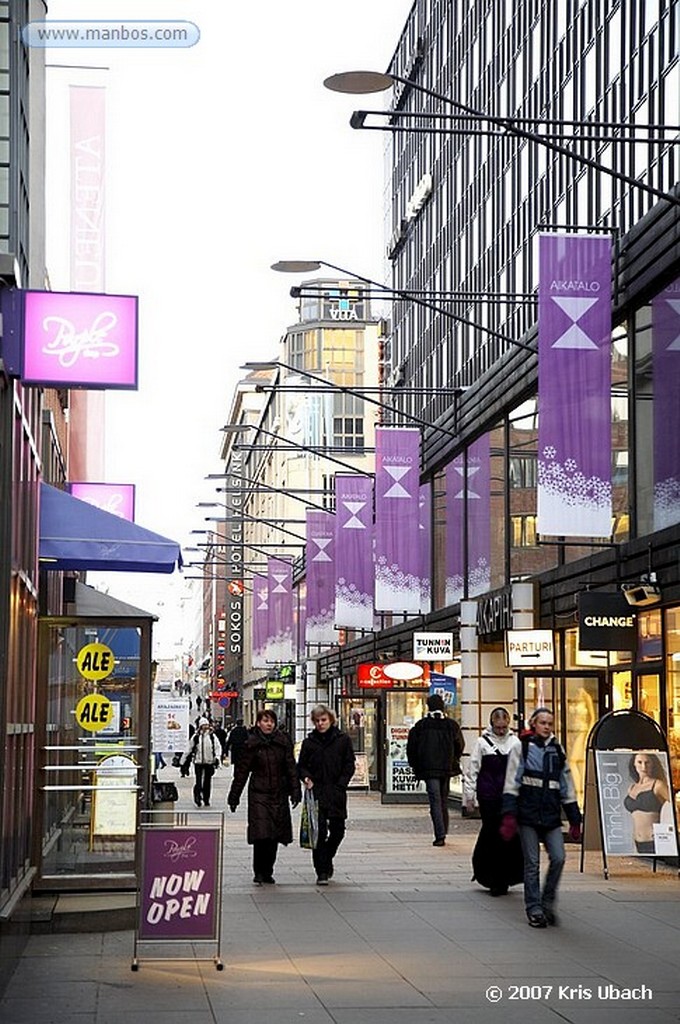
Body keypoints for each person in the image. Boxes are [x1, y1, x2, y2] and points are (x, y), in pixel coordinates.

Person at [501, 706, 582, 928]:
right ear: (533, 724)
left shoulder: (557, 750)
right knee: (532, 863)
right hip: (527, 816)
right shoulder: (522, 747)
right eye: (543, 722)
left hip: (550, 815)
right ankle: (534, 908)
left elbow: (567, 786)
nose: (546, 727)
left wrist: (575, 819)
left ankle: (547, 902)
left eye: (549, 723)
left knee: (559, 857)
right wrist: (509, 815)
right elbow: (512, 781)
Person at [227, 709, 301, 884]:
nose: (269, 724)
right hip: (259, 794)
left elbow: (291, 768)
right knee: (261, 834)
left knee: (274, 835)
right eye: (265, 721)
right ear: (258, 723)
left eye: (271, 721)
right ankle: (259, 871)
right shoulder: (252, 744)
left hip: (278, 793)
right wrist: (234, 795)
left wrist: (295, 790)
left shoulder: (282, 743)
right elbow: (242, 771)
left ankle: (268, 871)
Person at [464, 707, 523, 896]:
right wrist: (469, 796)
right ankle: (494, 878)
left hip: (508, 795)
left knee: (507, 836)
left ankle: (504, 877)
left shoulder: (515, 743)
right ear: (492, 724)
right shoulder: (482, 743)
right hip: (488, 795)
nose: (500, 731)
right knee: (492, 834)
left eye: (503, 727)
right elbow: (472, 769)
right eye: (498, 727)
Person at [298, 704, 355, 886]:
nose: (320, 724)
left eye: (323, 720)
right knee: (319, 832)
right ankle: (321, 871)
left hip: (336, 792)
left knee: (338, 831)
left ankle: (327, 857)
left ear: (331, 720)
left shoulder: (343, 740)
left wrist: (342, 784)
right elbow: (301, 765)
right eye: (317, 721)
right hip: (317, 792)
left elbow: (349, 764)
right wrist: (306, 777)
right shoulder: (309, 742)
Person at [406, 693, 464, 846]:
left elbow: (411, 748)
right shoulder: (452, 725)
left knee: (435, 800)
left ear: (428, 707)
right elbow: (460, 745)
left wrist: (416, 765)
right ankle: (443, 830)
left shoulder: (421, 726)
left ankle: (440, 834)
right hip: (446, 768)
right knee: (443, 799)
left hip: (429, 768)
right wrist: (453, 759)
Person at [624, 751, 671, 854]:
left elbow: (676, 806)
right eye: (640, 762)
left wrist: (668, 831)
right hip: (637, 841)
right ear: (634, 764)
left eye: (647, 762)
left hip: (654, 840)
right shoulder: (631, 788)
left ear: (653, 764)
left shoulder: (658, 785)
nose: (643, 767)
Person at [179, 716, 220, 808]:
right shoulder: (196, 737)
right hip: (198, 762)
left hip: (209, 762)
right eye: (204, 725)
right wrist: (182, 760)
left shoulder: (212, 736)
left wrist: (217, 758)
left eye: (207, 725)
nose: (206, 727)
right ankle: (197, 797)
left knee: (207, 782)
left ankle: (206, 799)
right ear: (200, 726)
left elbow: (217, 747)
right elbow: (188, 749)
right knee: (198, 781)